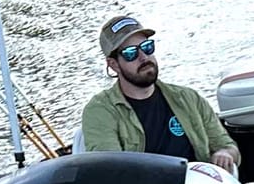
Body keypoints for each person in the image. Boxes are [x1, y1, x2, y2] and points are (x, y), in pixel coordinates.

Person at [81, 14, 240, 171]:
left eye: (147, 47)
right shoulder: (100, 111)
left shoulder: (189, 98)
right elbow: (112, 170)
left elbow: (227, 146)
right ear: (114, 64)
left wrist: (224, 154)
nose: (144, 57)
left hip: (199, 183)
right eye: (131, 53)